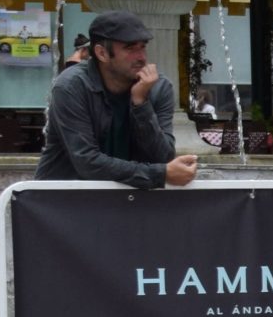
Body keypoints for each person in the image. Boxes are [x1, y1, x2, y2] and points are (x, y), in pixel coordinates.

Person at [35, 11, 198, 189]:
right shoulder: (71, 87)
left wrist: (140, 103)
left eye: (143, 46)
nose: (141, 57)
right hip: (64, 201)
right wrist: (161, 174)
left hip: (132, 202)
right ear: (102, 53)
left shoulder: (159, 87)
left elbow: (162, 156)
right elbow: (87, 162)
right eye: (130, 48)